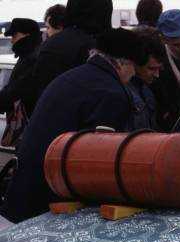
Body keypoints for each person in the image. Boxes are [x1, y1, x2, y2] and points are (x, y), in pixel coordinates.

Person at [0, 29, 147, 223]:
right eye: (134, 67)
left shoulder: (72, 77)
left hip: (24, 192)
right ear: (121, 63)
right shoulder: (111, 93)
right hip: (54, 204)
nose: (134, 74)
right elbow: (100, 160)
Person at [28, 0, 113, 111]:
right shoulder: (96, 45)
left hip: (47, 116)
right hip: (81, 121)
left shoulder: (49, 43)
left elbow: (34, 88)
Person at [0, 18, 42, 147]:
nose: (12, 40)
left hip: (28, 127)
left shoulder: (31, 60)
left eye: (14, 36)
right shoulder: (28, 57)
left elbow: (15, 91)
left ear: (27, 36)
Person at [127, 28, 164, 131]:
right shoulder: (121, 93)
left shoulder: (146, 90)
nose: (157, 75)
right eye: (152, 68)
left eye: (159, 68)